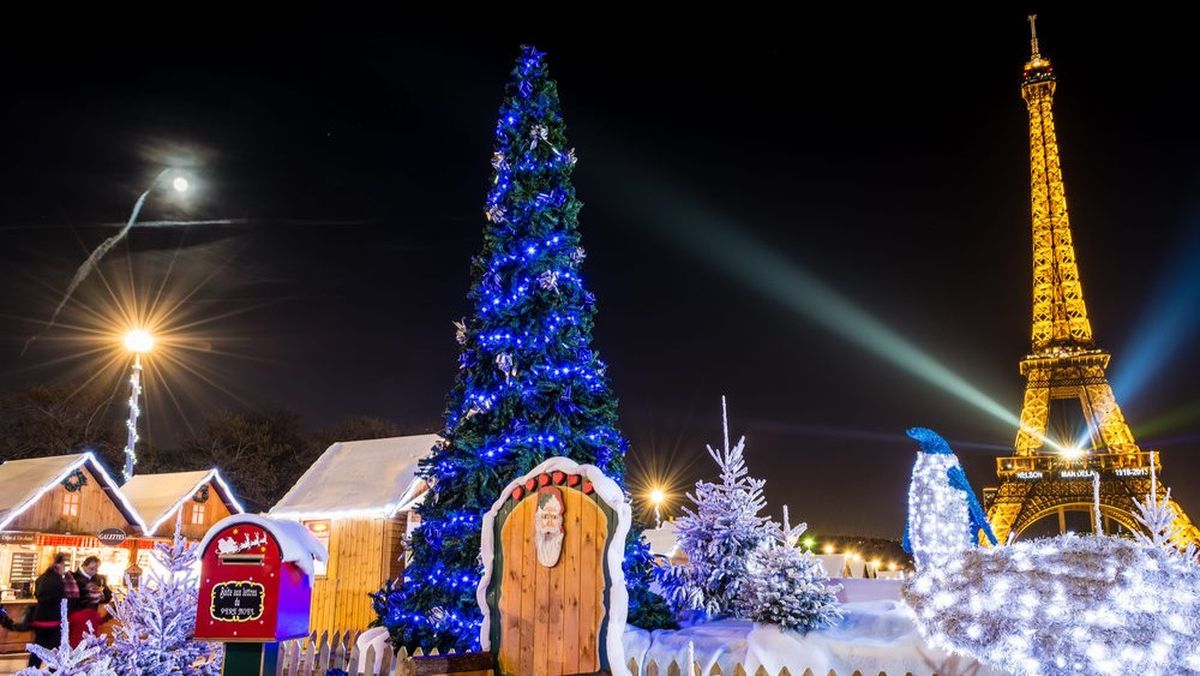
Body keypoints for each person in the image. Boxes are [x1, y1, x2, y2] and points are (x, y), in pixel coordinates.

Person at [29, 554, 79, 667]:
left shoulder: (41, 578)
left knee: (38, 648)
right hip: (53, 620)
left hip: (39, 618)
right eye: (64, 564)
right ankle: (55, 672)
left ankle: (31, 670)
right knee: (56, 651)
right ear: (59, 564)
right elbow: (66, 599)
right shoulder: (60, 580)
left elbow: (37, 594)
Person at [67, 580, 110, 647]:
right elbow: (101, 620)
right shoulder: (95, 615)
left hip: (73, 647)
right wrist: (109, 614)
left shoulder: (74, 615)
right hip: (89, 647)